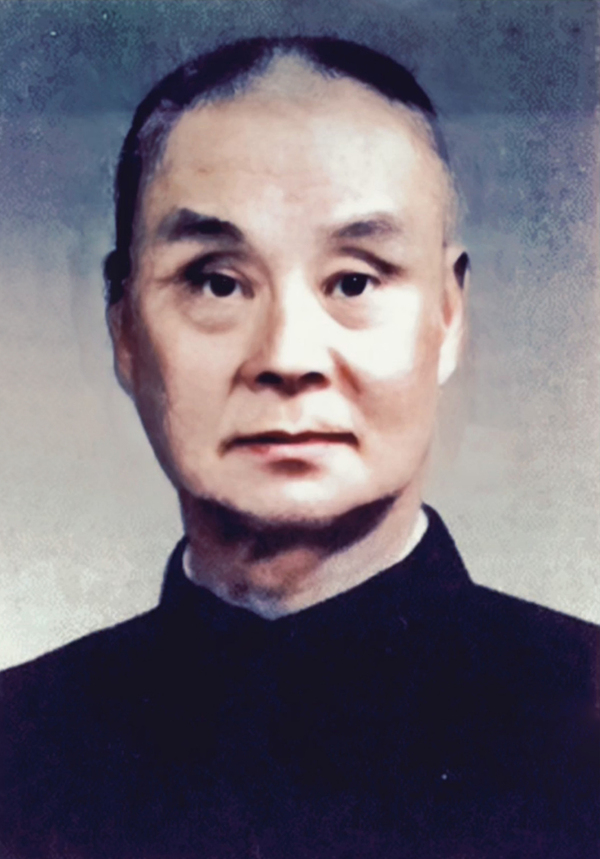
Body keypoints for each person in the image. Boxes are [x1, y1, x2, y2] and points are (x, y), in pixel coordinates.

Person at [0, 36, 597, 859]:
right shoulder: (18, 746)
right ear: (125, 328)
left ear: (448, 315)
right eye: (217, 281)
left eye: (354, 280)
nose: (286, 356)